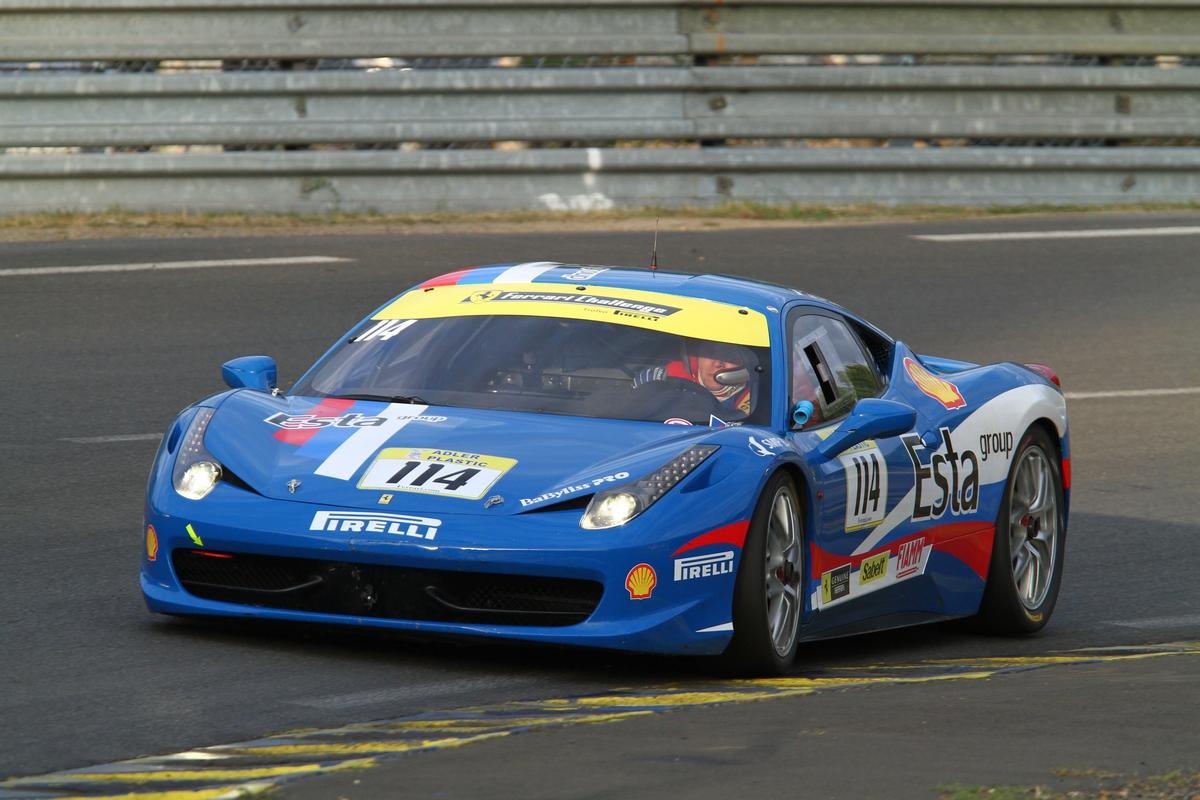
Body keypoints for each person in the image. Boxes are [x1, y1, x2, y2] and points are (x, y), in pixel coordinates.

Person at [634, 340, 753, 414]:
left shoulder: (759, 400)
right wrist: (647, 393)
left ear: (744, 364)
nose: (717, 364)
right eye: (709, 353)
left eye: (728, 355)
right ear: (695, 360)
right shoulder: (666, 379)